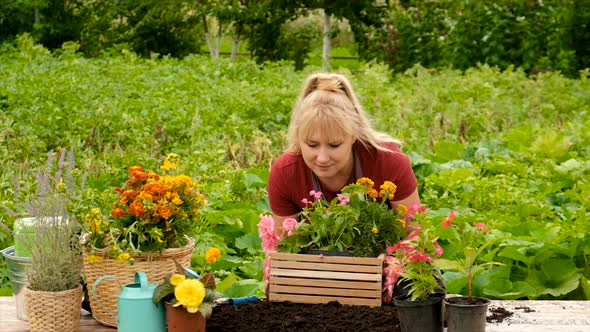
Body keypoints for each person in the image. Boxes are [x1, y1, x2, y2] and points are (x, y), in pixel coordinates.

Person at [268, 73, 420, 234]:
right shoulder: (286, 172)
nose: (322, 158)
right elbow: (283, 248)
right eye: (312, 145)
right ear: (299, 138)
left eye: (334, 145)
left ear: (354, 135)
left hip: (384, 256)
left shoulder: (389, 162)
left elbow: (415, 235)